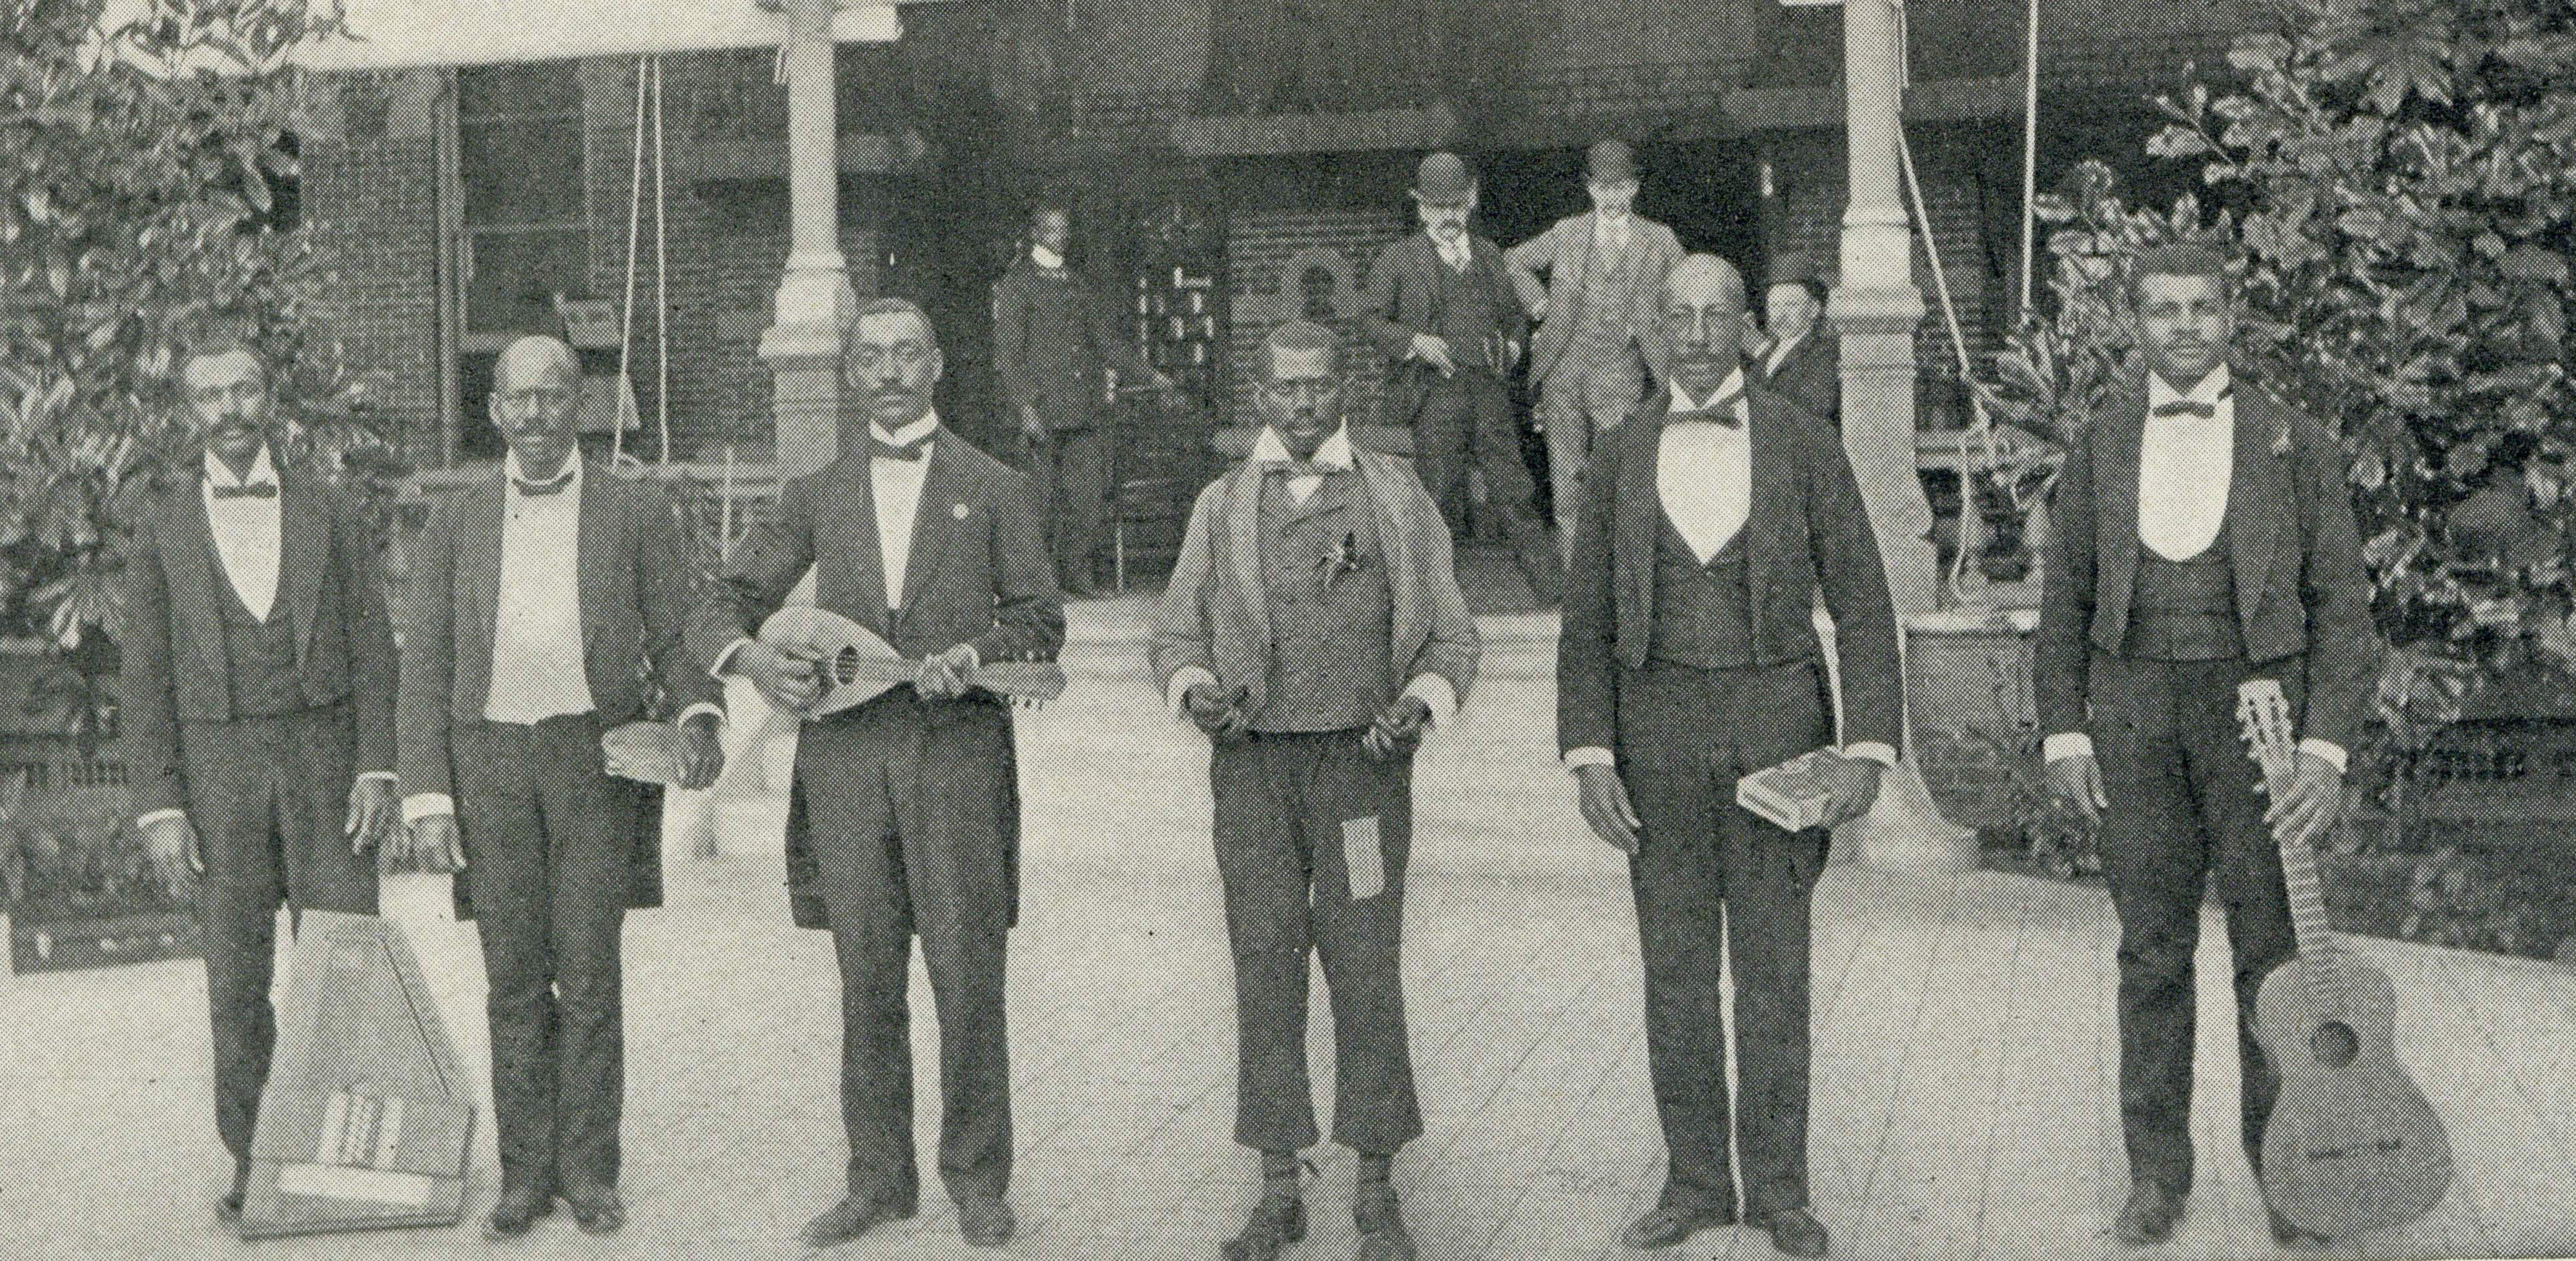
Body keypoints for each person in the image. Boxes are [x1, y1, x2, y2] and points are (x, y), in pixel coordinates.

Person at [691, 298, 1063, 1250]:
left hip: (958, 762)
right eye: (871, 358)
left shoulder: (995, 486)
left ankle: (978, 1182)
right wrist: (756, 661)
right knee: (866, 978)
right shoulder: (815, 493)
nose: (890, 372)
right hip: (847, 766)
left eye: (907, 354)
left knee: (968, 978)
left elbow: (1039, 620)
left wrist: (976, 656)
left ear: (937, 365)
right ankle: (878, 1182)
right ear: (851, 374)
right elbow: (721, 600)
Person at [1557, 256, 1900, 1258]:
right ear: (1656, 330)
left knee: (1773, 976)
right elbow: (1585, 623)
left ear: (1747, 326)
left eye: (1718, 315)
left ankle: (1780, 1191)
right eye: (1680, 317)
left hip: (1775, 736)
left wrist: (1866, 749)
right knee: (1673, 979)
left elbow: (1864, 602)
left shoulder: (1804, 443)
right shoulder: (1620, 452)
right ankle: (1695, 1183)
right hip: (1653, 737)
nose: (1699, 334)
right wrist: (1589, 754)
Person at [2036, 245, 2374, 1250]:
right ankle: (2155, 1176)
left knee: (2272, 957)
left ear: (2230, 318)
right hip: (2133, 716)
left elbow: (2341, 608)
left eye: (2201, 307)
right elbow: (2065, 603)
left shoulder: (2293, 442)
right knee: (2150, 952)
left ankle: (2289, 1171)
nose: (2183, 326)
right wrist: (2064, 731)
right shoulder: (2099, 443)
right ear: (2132, 324)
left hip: (2258, 717)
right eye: (2161, 309)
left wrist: (2322, 750)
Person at [1152, 320, 1478, 1261]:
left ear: (1346, 390)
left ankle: (1376, 1189)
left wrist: (1417, 705)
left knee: (1365, 967)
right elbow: (1174, 636)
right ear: (1260, 397)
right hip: (1254, 774)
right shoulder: (1221, 505)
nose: (1303, 403)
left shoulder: (1396, 494)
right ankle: (1275, 1187)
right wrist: (1195, 691)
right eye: (1285, 388)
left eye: (1319, 385)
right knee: (1264, 963)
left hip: (1359, 776)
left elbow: (1452, 636)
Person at [394, 334, 726, 1239]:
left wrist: (700, 716)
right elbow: (424, 667)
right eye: (519, 398)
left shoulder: (633, 511)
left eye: (553, 396)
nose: (536, 415)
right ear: (495, 411)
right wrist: (428, 798)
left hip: (593, 762)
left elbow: (677, 633)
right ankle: (525, 1175)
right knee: (511, 979)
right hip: (490, 765)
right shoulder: (456, 522)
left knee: (587, 973)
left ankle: (588, 1171)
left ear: (581, 405)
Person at [116, 329, 400, 1224]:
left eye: (244, 390)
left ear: (269, 398)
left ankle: (346, 1153)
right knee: (235, 985)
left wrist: (378, 766)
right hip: (218, 776)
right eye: (210, 396)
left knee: (344, 966)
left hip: (327, 763)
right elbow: (144, 678)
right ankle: (255, 1157)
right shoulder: (163, 525)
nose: (230, 411)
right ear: (188, 412)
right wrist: (161, 807)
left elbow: (374, 648)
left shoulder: (329, 508)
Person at [1361, 151, 1562, 601]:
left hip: (1488, 394)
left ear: (1471, 200)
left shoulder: (1489, 255)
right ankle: (1429, 605)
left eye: (1455, 205)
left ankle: (1555, 598)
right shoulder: (1399, 259)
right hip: (1435, 397)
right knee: (1436, 499)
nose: (1448, 216)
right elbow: (1370, 321)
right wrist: (1415, 341)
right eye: (1438, 207)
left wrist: (1514, 346)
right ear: (1420, 207)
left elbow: (1514, 320)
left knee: (1515, 491)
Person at [1506, 139, 1685, 566]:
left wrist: (1653, 320)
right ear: (1590, 188)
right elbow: (1514, 261)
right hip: (1563, 373)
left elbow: (1690, 285)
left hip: (1622, 372)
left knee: (1619, 477)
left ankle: (1620, 576)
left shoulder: (1659, 239)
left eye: (1619, 187)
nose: (1611, 197)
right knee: (1567, 481)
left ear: (1634, 188)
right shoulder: (1567, 232)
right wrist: (1540, 305)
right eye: (1603, 188)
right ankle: (1576, 581)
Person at [992, 202, 1174, 596]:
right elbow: (1008, 356)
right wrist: (1026, 408)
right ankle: (1039, 586)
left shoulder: (1076, 283)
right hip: (1042, 413)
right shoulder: (1016, 285)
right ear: (1036, 234)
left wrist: (1148, 375)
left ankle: (1076, 575)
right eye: (1053, 230)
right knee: (1039, 503)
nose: (1062, 237)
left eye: (1064, 230)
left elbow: (1106, 342)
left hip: (1084, 411)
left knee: (1088, 498)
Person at [1754, 253, 1838, 424]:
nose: (1781, 315)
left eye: (1791, 305)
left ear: (1814, 309)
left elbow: (1816, 409)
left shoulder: (1825, 352)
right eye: (1774, 306)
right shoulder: (1764, 355)